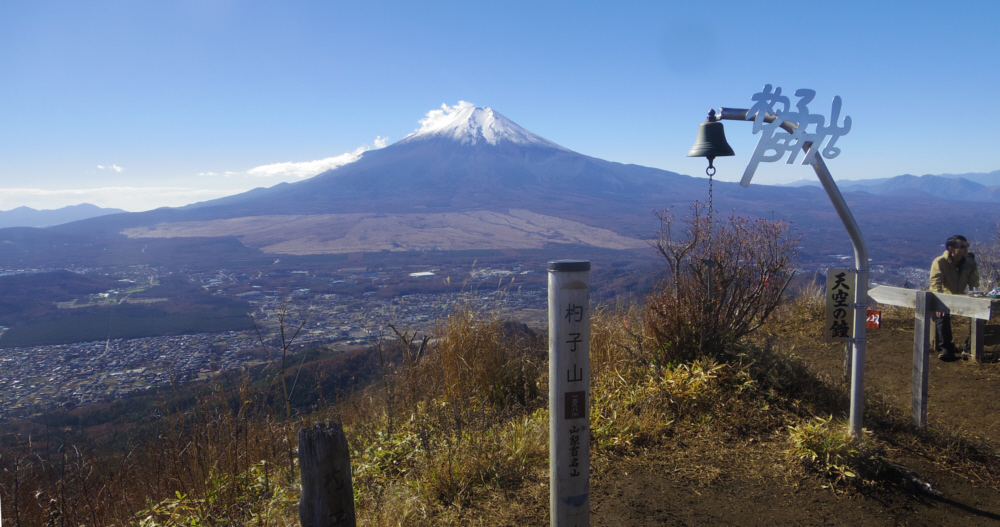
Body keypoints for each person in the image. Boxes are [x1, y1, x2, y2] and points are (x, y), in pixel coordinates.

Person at [929, 235, 980, 361]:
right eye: (962, 246)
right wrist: (939, 303)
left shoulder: (970, 263)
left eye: (967, 245)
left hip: (961, 296)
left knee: (982, 311)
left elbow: (974, 284)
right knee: (942, 314)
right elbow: (936, 284)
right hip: (944, 297)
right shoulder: (940, 262)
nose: (966, 248)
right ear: (951, 248)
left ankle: (969, 346)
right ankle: (947, 349)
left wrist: (976, 297)